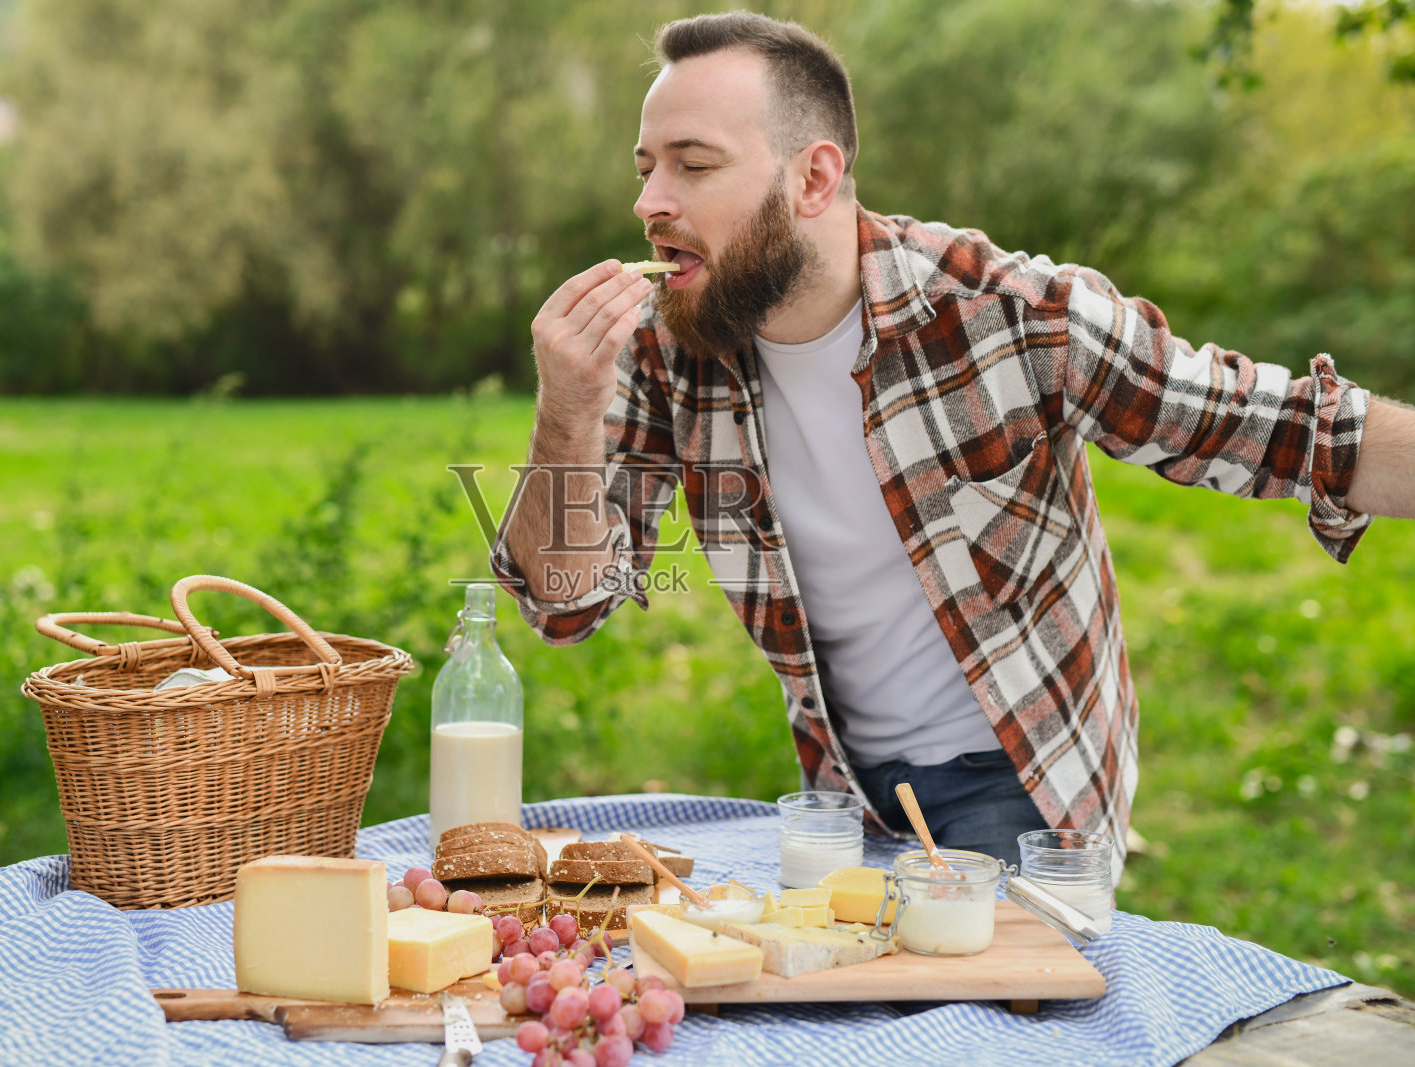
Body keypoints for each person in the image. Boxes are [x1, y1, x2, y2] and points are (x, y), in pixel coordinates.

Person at [489, 12, 1415, 872]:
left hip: (1023, 775)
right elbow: (567, 605)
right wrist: (568, 408)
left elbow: (1288, 430)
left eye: (692, 165)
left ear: (812, 178)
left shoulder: (1003, 313)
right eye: (646, 167)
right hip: (839, 786)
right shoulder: (665, 349)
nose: (651, 200)